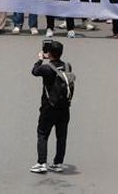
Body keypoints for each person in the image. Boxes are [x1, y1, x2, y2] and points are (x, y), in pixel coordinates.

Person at [30, 39, 73, 174]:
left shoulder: (46, 68)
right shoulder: (67, 66)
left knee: (42, 133)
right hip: (64, 107)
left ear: (49, 53)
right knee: (61, 136)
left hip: (49, 107)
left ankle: (42, 162)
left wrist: (40, 59)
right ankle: (58, 163)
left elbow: (34, 71)